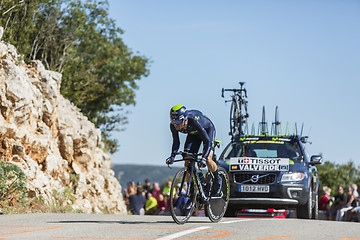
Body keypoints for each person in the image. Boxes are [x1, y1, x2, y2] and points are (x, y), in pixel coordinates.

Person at [166, 105, 222, 202]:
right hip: (193, 135)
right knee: (187, 162)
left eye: (178, 122)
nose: (176, 125)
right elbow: (176, 142)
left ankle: (217, 180)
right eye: (174, 122)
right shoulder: (173, 125)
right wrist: (172, 156)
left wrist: (204, 158)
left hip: (207, 132)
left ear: (184, 120)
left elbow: (207, 141)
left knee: (208, 159)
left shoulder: (193, 120)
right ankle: (192, 195)